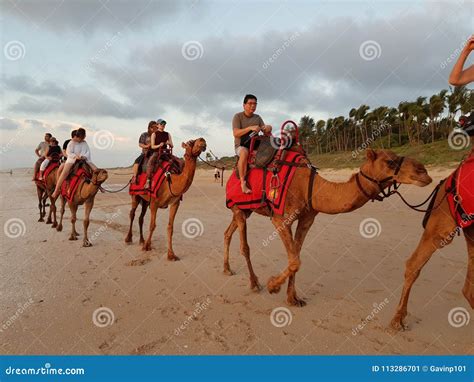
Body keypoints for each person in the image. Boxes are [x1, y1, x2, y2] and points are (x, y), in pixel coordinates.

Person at [232, 94, 272, 194]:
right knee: (244, 152)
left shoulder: (258, 117)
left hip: (255, 145)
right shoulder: (237, 117)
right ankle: (243, 183)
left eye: (255, 104)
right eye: (250, 103)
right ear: (244, 105)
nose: (253, 106)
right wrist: (250, 128)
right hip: (241, 146)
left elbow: (266, 131)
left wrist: (268, 127)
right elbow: (236, 133)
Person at [52, 128, 97, 198]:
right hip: (72, 159)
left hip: (84, 159)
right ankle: (56, 190)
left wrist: (84, 156)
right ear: (76, 136)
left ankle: (99, 186)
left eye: (83, 138)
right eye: (80, 138)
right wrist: (75, 157)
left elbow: (87, 151)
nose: (81, 140)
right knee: (65, 173)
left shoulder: (84, 143)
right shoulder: (71, 143)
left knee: (96, 170)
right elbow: (68, 152)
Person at [146, 119, 173, 189]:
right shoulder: (154, 134)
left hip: (165, 153)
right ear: (157, 125)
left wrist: (169, 143)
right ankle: (148, 180)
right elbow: (152, 146)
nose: (163, 126)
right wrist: (159, 145)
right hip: (157, 152)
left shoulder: (168, 134)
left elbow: (172, 145)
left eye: (164, 124)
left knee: (176, 162)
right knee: (150, 162)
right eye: (161, 124)